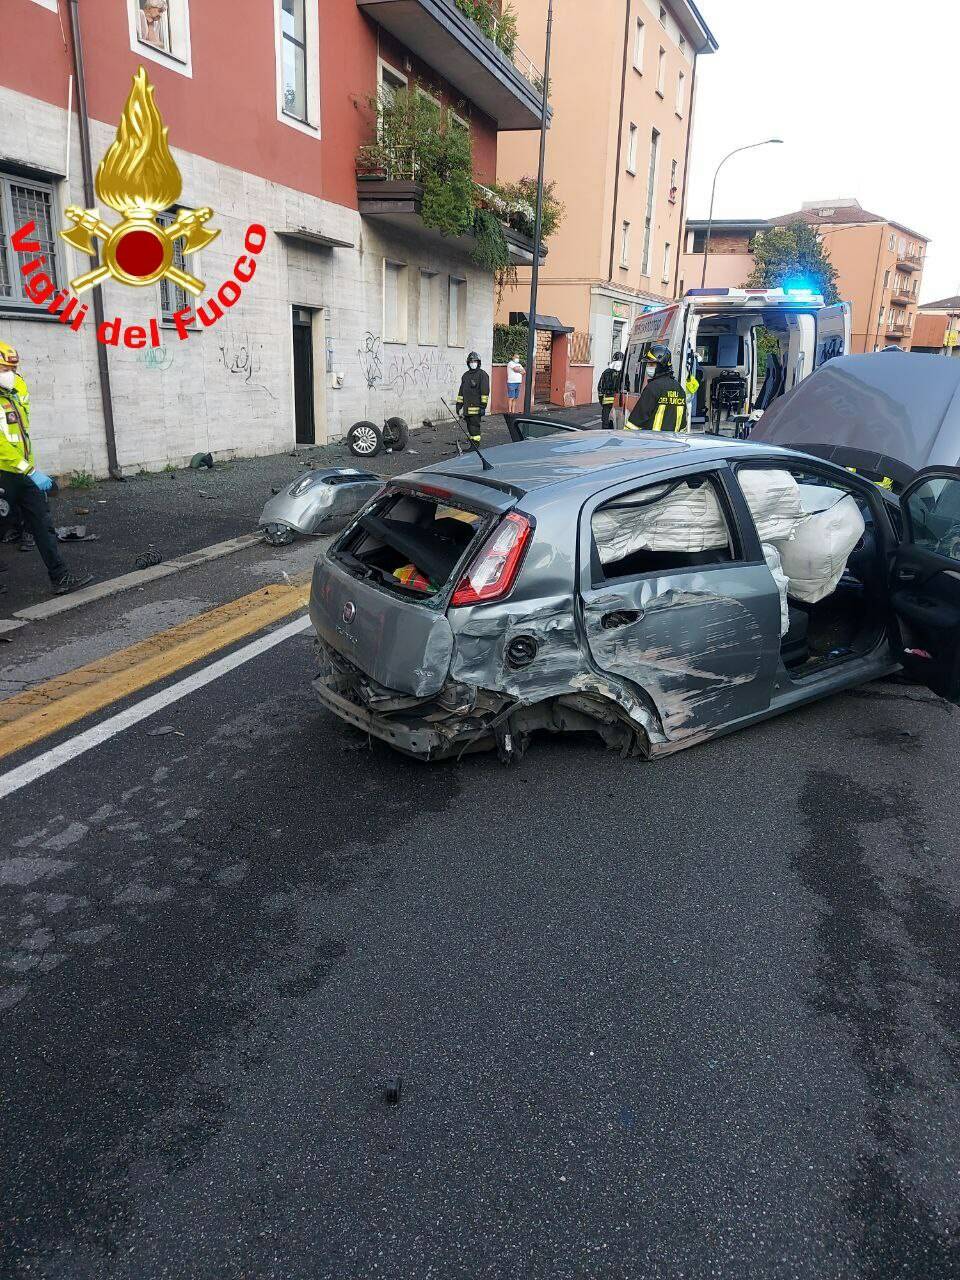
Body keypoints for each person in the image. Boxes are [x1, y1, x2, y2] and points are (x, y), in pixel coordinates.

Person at [0, 341, 91, 595]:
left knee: (42, 523)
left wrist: (29, 469)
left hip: (24, 473)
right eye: (5, 368)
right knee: (3, 524)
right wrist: (29, 471)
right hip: (5, 474)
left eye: (13, 367)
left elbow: (21, 432)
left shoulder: (15, 388)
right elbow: (1, 447)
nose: (11, 373)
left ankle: (60, 577)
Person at [626, 342, 689, 433]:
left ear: (661, 365)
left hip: (654, 443)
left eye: (651, 364)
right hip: (674, 443)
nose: (648, 367)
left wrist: (626, 438)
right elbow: (683, 425)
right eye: (648, 364)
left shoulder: (653, 388)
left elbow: (636, 422)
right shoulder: (679, 389)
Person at [455, 351, 490, 445]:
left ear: (479, 363)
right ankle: (472, 444)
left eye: (475, 361)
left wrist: (483, 406)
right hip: (467, 409)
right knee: (470, 427)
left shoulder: (482, 375)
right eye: (471, 361)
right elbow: (461, 392)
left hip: (476, 408)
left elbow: (485, 392)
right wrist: (458, 405)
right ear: (468, 363)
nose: (473, 363)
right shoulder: (465, 375)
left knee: (474, 427)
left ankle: (476, 445)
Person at [597, 351, 623, 428]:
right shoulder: (624, 373)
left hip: (607, 404)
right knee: (618, 425)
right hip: (619, 404)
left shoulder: (606, 372)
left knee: (606, 425)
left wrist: (602, 402)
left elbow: (600, 389)